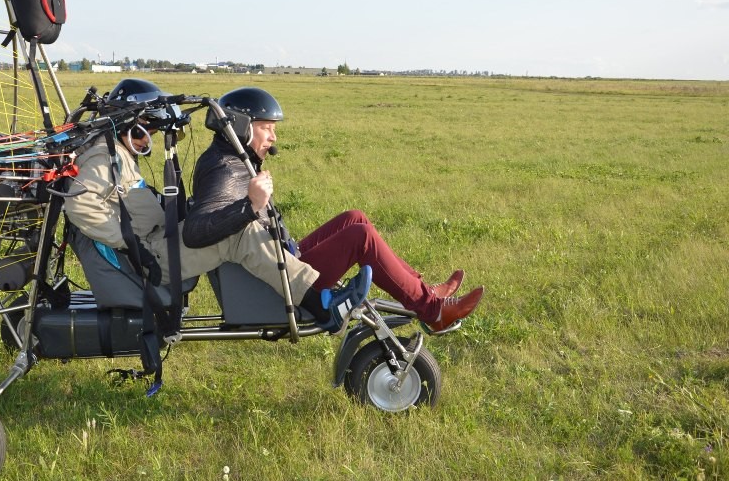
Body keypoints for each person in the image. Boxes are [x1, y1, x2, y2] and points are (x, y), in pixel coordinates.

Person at [63, 79, 371, 334]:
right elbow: (80, 206)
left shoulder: (116, 153)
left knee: (228, 223)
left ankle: (314, 293)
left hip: (154, 245)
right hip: (147, 256)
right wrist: (129, 245)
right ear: (130, 123)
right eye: (148, 130)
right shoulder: (104, 156)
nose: (149, 140)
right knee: (239, 232)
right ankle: (324, 307)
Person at [183, 86, 484, 332]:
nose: (274, 137)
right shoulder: (224, 168)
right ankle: (434, 312)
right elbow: (196, 232)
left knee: (355, 218)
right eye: (267, 128)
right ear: (241, 126)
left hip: (279, 258)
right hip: (274, 285)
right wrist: (250, 207)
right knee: (360, 237)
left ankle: (423, 292)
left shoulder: (232, 157)